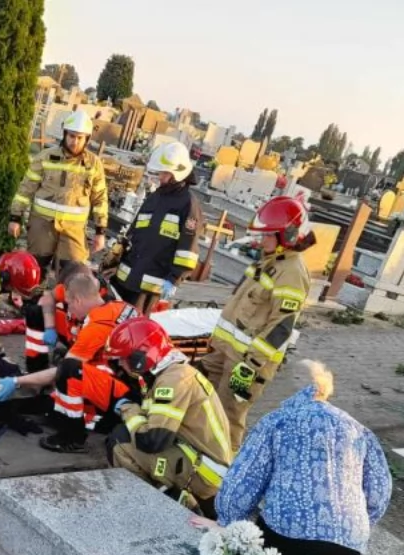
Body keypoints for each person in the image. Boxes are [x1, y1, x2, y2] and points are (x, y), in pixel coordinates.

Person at [212, 360, 392, 555]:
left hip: (287, 537)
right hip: (347, 547)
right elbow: (379, 492)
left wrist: (226, 522)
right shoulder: (358, 430)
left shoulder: (278, 421)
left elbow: (244, 478)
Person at [198, 196, 314, 451]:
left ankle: (225, 474)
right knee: (206, 406)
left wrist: (251, 365)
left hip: (246, 364)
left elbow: (281, 326)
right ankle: (202, 457)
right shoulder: (271, 261)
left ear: (288, 235)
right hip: (225, 353)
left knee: (229, 417)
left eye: (268, 236)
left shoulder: (292, 272)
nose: (262, 241)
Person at [104, 318, 232, 518]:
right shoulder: (170, 372)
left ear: (141, 355)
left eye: (123, 358)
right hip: (199, 458)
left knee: (120, 442)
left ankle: (153, 510)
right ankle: (167, 494)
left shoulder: (174, 380)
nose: (120, 363)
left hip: (204, 472)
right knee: (126, 434)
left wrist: (129, 410)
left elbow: (153, 441)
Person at [39, 272, 138, 453]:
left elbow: (63, 370)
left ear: (77, 300)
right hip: (131, 376)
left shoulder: (98, 325)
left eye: (69, 305)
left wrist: (18, 381)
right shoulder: (118, 306)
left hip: (129, 391)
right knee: (68, 376)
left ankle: (72, 437)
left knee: (68, 372)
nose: (69, 311)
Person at [9, 110, 108, 273]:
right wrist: (15, 217)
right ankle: (31, 298)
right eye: (71, 136)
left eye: (79, 138)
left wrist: (100, 231)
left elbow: (100, 199)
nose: (74, 142)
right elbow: (25, 189)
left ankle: (60, 299)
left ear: (87, 139)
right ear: (64, 134)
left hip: (74, 231)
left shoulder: (94, 165)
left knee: (72, 274)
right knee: (34, 270)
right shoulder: (45, 157)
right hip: (42, 226)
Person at [110, 142, 202, 312]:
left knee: (133, 330)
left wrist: (174, 279)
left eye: (165, 173)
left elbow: (187, 250)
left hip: (149, 288)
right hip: (126, 279)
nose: (160, 176)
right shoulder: (155, 196)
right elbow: (134, 232)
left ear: (177, 173)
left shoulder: (188, 204)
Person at [23, 264, 112, 372]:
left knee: (71, 370)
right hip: (73, 330)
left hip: (90, 342)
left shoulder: (106, 306)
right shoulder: (73, 285)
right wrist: (49, 327)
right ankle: (36, 368)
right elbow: (48, 298)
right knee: (35, 312)